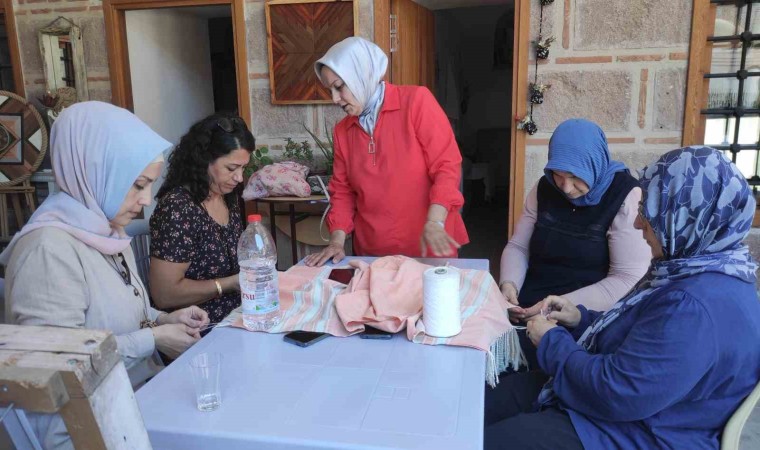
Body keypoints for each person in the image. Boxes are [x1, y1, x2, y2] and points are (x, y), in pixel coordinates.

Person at [484, 146, 760, 450]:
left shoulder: (693, 306)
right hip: (621, 405)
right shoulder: (700, 273)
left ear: (686, 218)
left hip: (637, 432)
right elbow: (646, 337)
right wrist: (580, 319)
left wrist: (551, 341)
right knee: (485, 400)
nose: (639, 224)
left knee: (485, 440)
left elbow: (616, 393)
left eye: (650, 213)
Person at [1, 102, 208, 449]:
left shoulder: (106, 230)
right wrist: (154, 339)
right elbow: (61, 367)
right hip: (88, 429)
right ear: (94, 171)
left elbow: (119, 309)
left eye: (149, 186)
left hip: (137, 401)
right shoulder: (47, 251)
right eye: (138, 185)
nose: (146, 200)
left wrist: (164, 318)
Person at [304, 37, 469, 266]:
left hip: (428, 247)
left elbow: (447, 166)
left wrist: (435, 221)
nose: (335, 99)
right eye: (330, 90)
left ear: (361, 74)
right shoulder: (343, 131)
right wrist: (337, 242)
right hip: (372, 253)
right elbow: (343, 190)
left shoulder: (416, 102)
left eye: (339, 86)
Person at [500, 119, 650, 317]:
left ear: (594, 163)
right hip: (529, 306)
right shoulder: (544, 187)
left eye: (575, 176)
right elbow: (519, 246)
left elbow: (627, 279)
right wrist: (509, 284)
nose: (566, 187)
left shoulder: (625, 195)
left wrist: (554, 307)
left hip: (586, 316)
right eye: (558, 174)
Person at [149, 113, 253, 324]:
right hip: (199, 326)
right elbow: (164, 294)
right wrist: (229, 284)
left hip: (237, 316)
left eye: (243, 168)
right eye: (231, 168)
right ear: (203, 160)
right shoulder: (178, 207)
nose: (239, 178)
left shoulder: (226, 197)